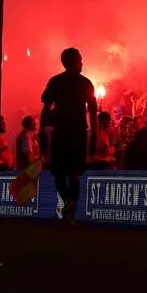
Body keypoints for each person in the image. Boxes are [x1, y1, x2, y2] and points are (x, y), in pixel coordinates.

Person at [39, 48, 98, 224]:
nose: (82, 63)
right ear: (74, 61)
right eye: (80, 60)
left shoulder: (55, 82)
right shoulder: (86, 83)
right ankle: (70, 207)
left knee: (59, 174)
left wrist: (42, 131)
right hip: (77, 133)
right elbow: (93, 112)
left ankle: (68, 206)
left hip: (61, 133)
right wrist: (94, 134)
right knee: (73, 174)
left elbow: (45, 109)